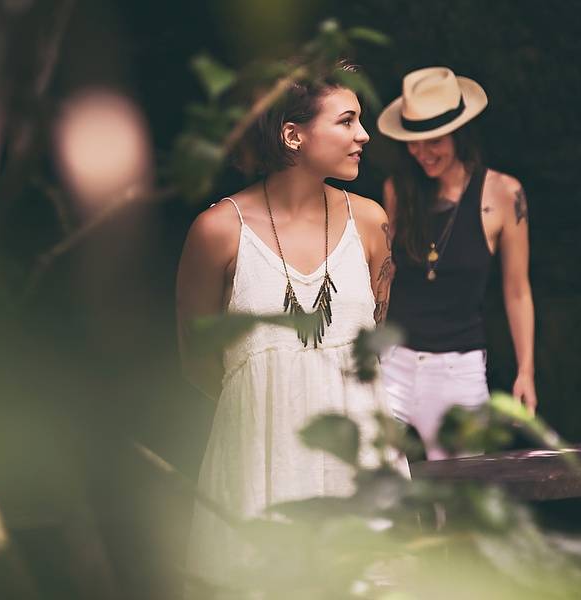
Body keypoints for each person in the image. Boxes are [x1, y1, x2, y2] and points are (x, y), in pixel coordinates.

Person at [176, 66, 404, 591]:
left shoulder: (371, 222)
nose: (363, 135)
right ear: (293, 135)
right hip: (259, 467)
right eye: (347, 121)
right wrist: (272, 412)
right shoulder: (217, 231)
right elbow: (196, 360)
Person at [376, 66, 537, 461]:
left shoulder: (503, 194)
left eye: (434, 141)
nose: (423, 153)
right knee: (373, 499)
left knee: (462, 507)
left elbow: (516, 290)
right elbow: (383, 276)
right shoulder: (398, 189)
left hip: (457, 370)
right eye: (414, 142)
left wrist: (526, 371)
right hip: (393, 363)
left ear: (459, 133)